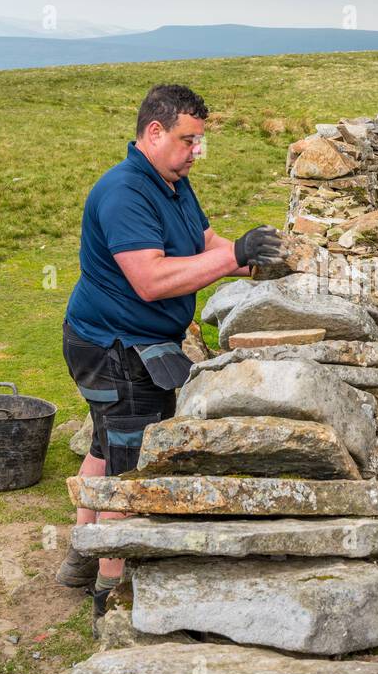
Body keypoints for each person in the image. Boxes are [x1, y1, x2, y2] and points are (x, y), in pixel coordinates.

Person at [57, 82, 283, 634]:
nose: (195, 151)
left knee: (103, 444)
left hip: (124, 342)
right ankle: (113, 595)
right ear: (153, 132)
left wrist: (251, 260)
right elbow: (151, 280)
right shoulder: (125, 192)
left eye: (200, 141)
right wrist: (232, 255)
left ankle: (79, 559)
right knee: (129, 476)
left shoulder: (174, 183)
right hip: (115, 348)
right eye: (188, 140)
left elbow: (206, 241)